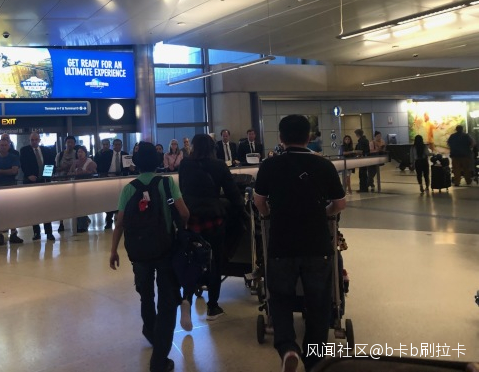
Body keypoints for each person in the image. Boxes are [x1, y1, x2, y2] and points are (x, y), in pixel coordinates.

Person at [253, 115, 346, 372]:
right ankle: (314, 360)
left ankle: (288, 349)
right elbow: (340, 204)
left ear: (281, 138)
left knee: (280, 298)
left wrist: (269, 214)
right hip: (317, 244)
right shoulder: (324, 165)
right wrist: (323, 213)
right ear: (309, 137)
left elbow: (259, 201)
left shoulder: (270, 165)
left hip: (282, 243)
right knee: (319, 303)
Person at [109, 142, 190, 372]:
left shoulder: (129, 188)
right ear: (157, 162)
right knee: (167, 302)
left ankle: (150, 331)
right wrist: (179, 227)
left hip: (139, 252)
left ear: (136, 164)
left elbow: (120, 223)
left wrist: (113, 250)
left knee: (146, 295)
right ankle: (159, 358)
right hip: (165, 249)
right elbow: (184, 213)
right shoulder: (167, 183)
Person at [178, 133, 244, 325]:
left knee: (192, 258)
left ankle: (187, 298)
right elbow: (232, 193)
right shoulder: (219, 165)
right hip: (213, 219)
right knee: (215, 259)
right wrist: (240, 209)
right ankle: (213, 306)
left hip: (191, 218)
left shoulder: (185, 165)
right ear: (212, 148)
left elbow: (183, 189)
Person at [20, 132, 56, 241]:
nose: (34, 142)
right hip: (31, 182)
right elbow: (23, 165)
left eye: (36, 140)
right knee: (34, 208)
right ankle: (36, 232)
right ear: (29, 140)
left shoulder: (46, 150)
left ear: (39, 140)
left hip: (44, 182)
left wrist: (47, 176)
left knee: (46, 208)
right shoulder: (24, 150)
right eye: (32, 140)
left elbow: (50, 163)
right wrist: (29, 175)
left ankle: (49, 232)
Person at [0, 137, 22, 245]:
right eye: (1, 145)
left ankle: (13, 233)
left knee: (12, 210)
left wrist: (0, 171)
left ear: (9, 146)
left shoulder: (14, 157)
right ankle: (0, 234)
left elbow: (14, 171)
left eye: (5, 145)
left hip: (11, 186)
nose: (3, 147)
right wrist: (7, 171)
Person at [69, 145, 97, 233]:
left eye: (81, 152)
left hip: (86, 187)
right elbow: (69, 173)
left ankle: (83, 225)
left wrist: (84, 172)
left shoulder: (90, 162)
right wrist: (75, 173)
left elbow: (93, 172)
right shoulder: (75, 162)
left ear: (85, 153)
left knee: (83, 205)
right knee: (77, 205)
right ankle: (80, 224)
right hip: (76, 187)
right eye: (78, 152)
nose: (79, 153)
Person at [104, 138, 129, 230]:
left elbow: (128, 168)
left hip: (122, 179)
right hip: (109, 179)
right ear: (113, 145)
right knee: (109, 199)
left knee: (121, 199)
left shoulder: (125, 155)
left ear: (121, 145)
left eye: (119, 144)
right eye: (115, 144)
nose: (117, 146)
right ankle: (109, 219)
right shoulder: (107, 154)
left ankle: (121, 218)